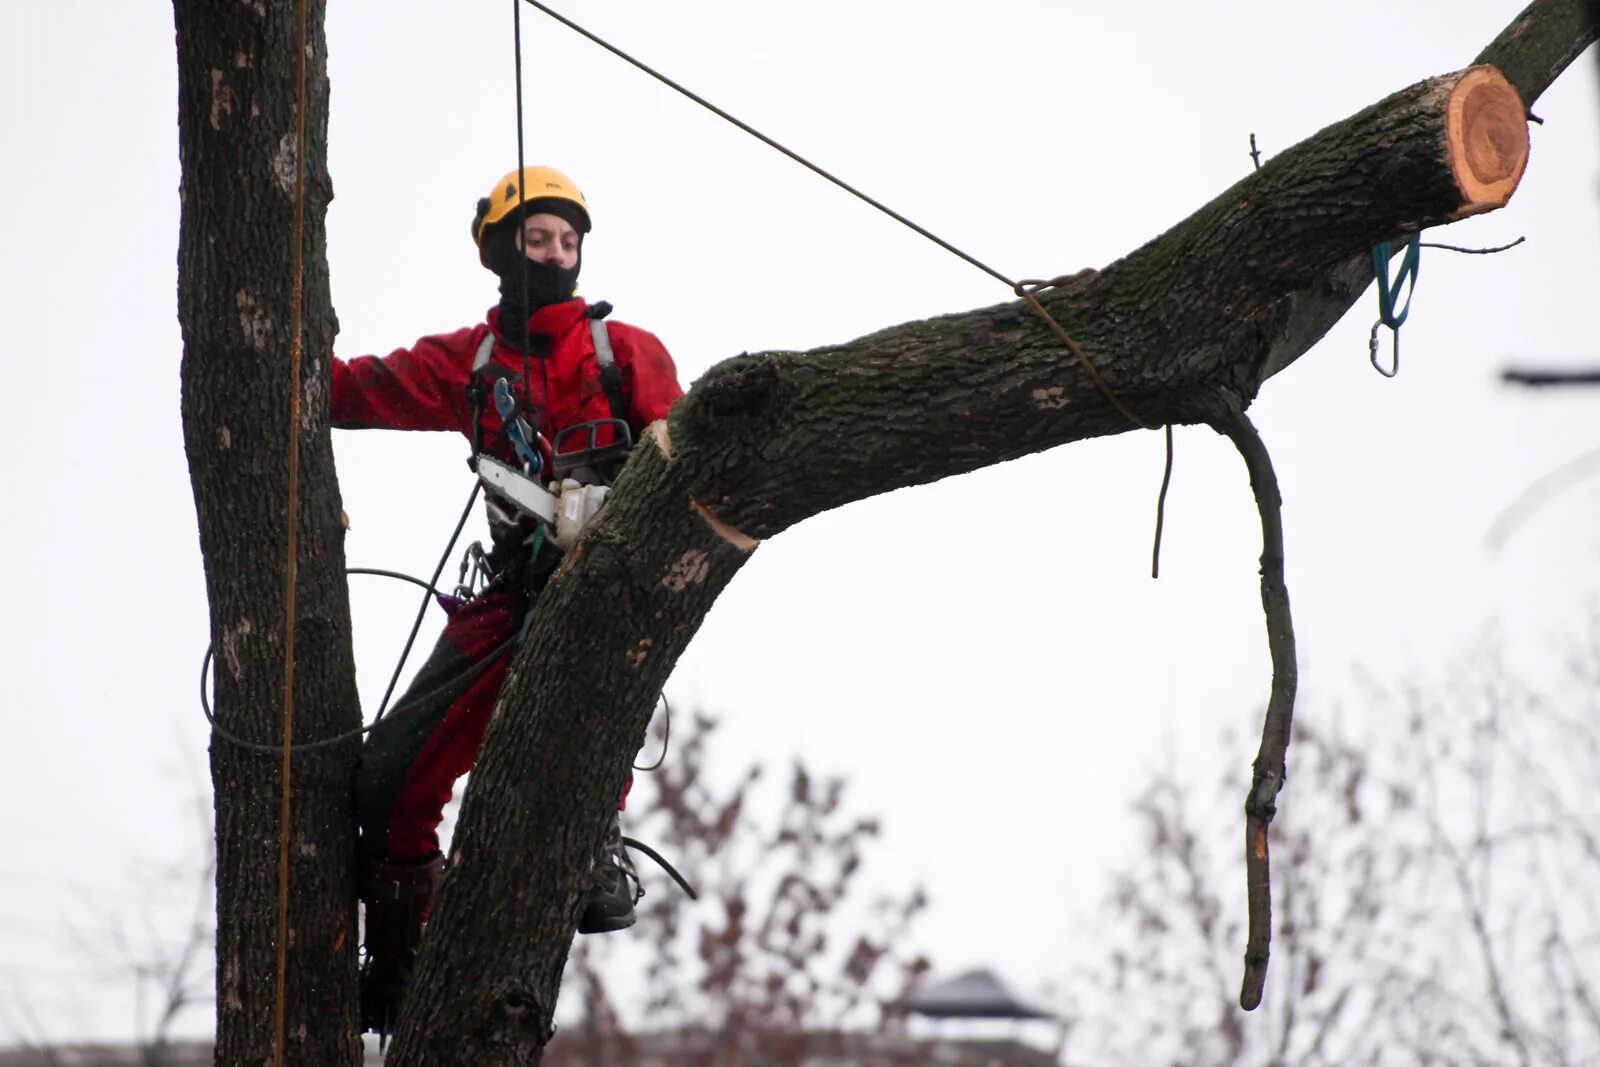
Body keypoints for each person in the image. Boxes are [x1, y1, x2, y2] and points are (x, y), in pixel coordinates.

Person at [329, 164, 685, 1036]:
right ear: (499, 251)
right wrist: (281, 362)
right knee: (388, 779)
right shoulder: (470, 363)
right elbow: (355, 389)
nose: (555, 255)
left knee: (574, 741)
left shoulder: (625, 354)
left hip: (606, 602)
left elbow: (693, 465)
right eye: (537, 240)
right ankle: (402, 953)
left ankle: (595, 843)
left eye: (567, 242)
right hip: (510, 596)